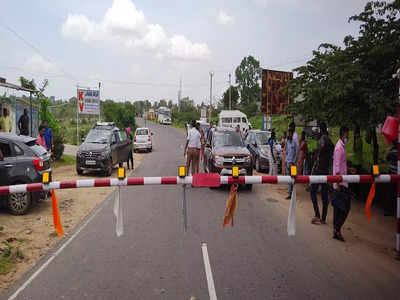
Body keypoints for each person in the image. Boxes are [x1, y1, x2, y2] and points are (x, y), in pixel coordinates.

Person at [310, 123, 334, 225]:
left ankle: (317, 215)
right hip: (325, 171)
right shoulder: (330, 141)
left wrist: (316, 153)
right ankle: (323, 218)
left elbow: (320, 152)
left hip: (318, 170)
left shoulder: (323, 139)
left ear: (320, 129)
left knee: (312, 192)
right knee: (324, 195)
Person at [332, 126, 350, 241]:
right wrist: (338, 183)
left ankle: (336, 230)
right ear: (343, 134)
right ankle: (337, 229)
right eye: (347, 135)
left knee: (338, 208)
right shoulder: (339, 147)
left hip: (340, 181)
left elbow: (341, 165)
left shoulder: (341, 146)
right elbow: (337, 166)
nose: (348, 137)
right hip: (340, 182)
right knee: (346, 208)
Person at [285, 129, 297, 199]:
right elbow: (286, 151)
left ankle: (293, 193)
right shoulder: (287, 142)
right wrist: (286, 160)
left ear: (292, 134)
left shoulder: (294, 143)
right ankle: (289, 193)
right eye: (288, 133)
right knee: (288, 178)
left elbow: (296, 153)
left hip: (293, 164)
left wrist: (294, 161)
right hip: (288, 163)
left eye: (290, 133)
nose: (289, 135)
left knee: (293, 179)